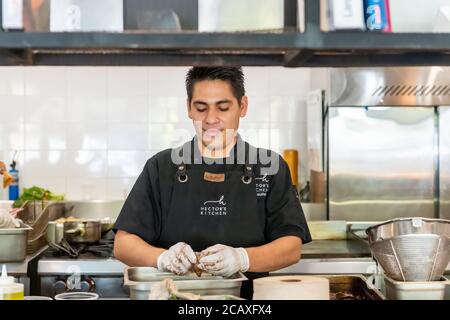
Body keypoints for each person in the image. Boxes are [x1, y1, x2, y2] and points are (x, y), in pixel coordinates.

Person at [113, 67, 311, 298]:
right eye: (201, 108)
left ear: (243, 106)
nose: (210, 119)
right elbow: (123, 243)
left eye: (223, 107)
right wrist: (161, 257)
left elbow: (291, 247)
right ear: (189, 107)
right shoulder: (161, 167)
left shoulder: (269, 167)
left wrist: (242, 258)